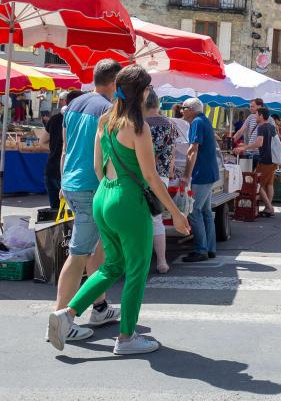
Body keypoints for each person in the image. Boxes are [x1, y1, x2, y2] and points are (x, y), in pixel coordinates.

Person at [47, 65, 190, 355]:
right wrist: (175, 212)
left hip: (104, 196)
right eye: (148, 87)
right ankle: (126, 338)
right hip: (127, 199)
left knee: (112, 266)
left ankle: (67, 313)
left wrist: (110, 193)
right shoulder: (138, 127)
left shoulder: (106, 120)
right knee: (136, 270)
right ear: (142, 91)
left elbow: (98, 166)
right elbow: (151, 177)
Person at [49, 59, 122, 345]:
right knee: (79, 253)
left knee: (94, 250)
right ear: (114, 83)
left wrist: (62, 183)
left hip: (71, 182)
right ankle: (59, 318)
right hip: (92, 186)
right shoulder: (107, 109)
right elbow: (108, 155)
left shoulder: (73, 105)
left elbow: (66, 148)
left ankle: (100, 307)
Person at [144, 89, 178, 274]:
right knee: (157, 219)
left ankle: (139, 260)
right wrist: (170, 171)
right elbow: (172, 153)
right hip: (163, 176)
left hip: (142, 174)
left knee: (140, 219)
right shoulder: (170, 124)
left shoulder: (141, 124)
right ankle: (162, 261)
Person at [181, 97, 220, 262]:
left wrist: (186, 175)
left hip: (201, 174)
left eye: (183, 108)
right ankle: (209, 248)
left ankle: (201, 249)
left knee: (194, 211)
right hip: (208, 173)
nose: (181, 111)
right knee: (204, 212)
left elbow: (193, 149)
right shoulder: (202, 120)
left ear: (191, 109)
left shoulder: (197, 122)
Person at [234, 107, 278, 217]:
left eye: (256, 114)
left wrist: (245, 147)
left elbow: (259, 143)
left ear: (261, 116)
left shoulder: (261, 127)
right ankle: (268, 207)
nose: (255, 116)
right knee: (269, 184)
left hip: (265, 160)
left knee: (258, 184)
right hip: (273, 159)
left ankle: (269, 208)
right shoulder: (271, 127)